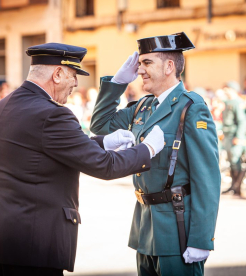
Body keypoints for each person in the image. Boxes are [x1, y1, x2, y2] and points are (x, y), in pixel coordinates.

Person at [0, 42, 165, 276]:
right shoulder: (52, 114)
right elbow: (104, 166)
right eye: (73, 75)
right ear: (57, 74)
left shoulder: (5, 104)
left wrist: (104, 142)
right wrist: (148, 149)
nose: (76, 83)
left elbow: (43, 148)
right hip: (32, 242)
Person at [90, 32, 220, 276]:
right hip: (145, 226)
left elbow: (207, 178)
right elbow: (99, 125)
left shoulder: (191, 108)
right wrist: (118, 83)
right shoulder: (143, 106)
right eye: (140, 64)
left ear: (169, 66)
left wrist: (201, 238)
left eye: (147, 63)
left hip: (176, 229)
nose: (140, 71)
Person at [221, 81, 246, 196]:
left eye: (227, 88)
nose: (225, 91)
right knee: (231, 161)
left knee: (235, 161)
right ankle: (233, 185)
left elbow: (242, 121)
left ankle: (237, 187)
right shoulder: (228, 102)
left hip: (234, 136)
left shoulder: (237, 103)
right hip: (228, 135)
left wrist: (239, 136)